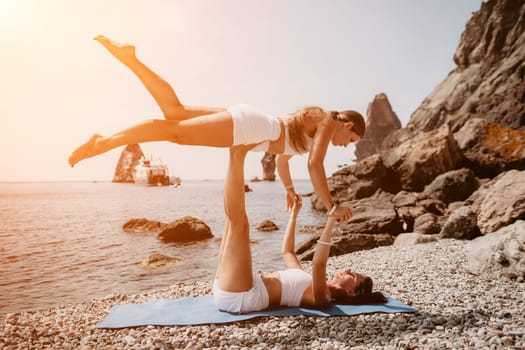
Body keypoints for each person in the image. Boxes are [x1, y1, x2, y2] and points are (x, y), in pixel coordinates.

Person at [69, 35, 365, 220]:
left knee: (175, 112)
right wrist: (331, 205)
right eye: (350, 139)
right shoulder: (327, 120)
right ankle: (104, 142)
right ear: (347, 124)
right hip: (252, 128)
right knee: (174, 131)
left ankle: (131, 59)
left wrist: (288, 189)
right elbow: (315, 164)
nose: (345, 145)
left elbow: (283, 158)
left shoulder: (312, 129)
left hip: (255, 122)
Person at [214, 145, 384, 314]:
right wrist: (294, 215)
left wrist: (331, 219)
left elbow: (319, 264)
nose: (348, 270)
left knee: (240, 223)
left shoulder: (323, 297)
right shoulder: (307, 280)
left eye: (353, 276)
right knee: (232, 221)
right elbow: (288, 252)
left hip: (243, 296)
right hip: (238, 287)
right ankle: (235, 152)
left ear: (351, 292)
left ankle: (238, 152)